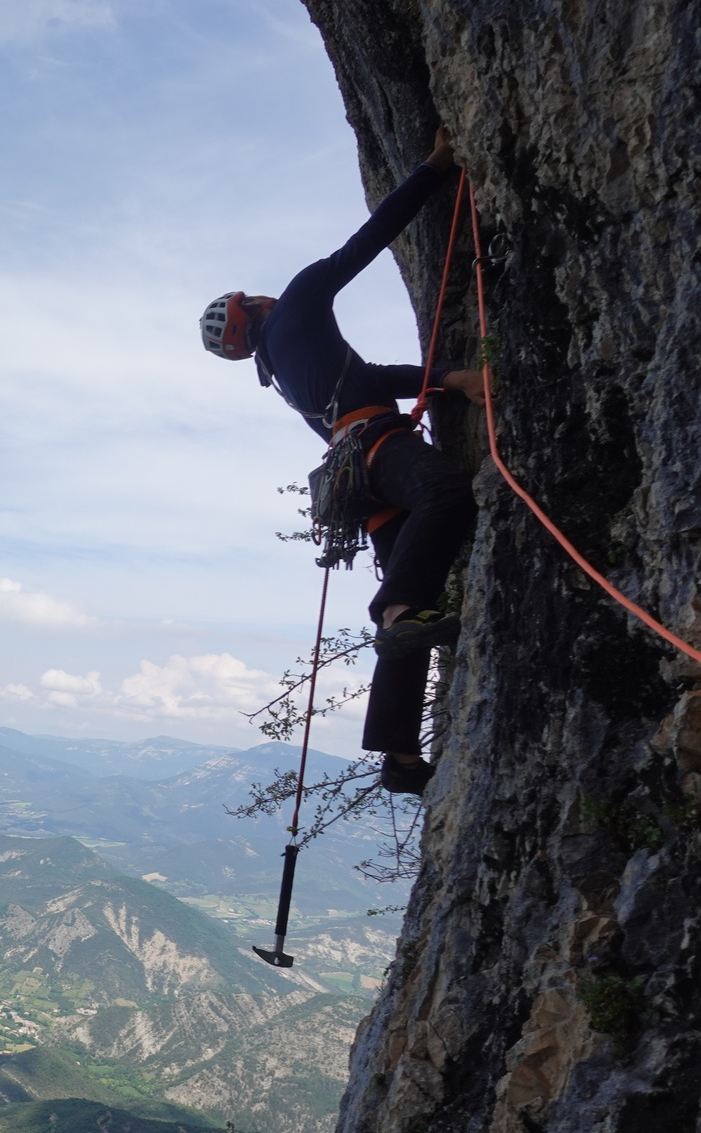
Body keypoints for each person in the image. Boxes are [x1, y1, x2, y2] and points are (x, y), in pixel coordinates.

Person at [198, 127, 480, 796]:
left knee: (404, 621)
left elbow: (369, 376)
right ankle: (400, 609)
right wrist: (434, 169)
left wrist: (446, 379)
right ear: (255, 304)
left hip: (356, 481)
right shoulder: (297, 301)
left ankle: (400, 755)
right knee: (444, 497)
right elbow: (370, 239)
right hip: (378, 452)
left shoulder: (281, 370)